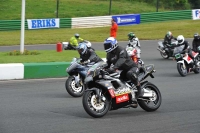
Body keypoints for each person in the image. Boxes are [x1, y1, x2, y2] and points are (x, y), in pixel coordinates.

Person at [104, 37, 142, 107]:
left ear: (113, 44)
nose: (106, 47)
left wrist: (114, 68)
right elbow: (108, 64)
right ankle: (128, 97)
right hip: (123, 71)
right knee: (118, 81)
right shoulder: (109, 54)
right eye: (105, 45)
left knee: (130, 73)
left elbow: (121, 60)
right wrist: (103, 69)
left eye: (108, 45)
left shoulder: (121, 50)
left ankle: (139, 88)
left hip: (132, 67)